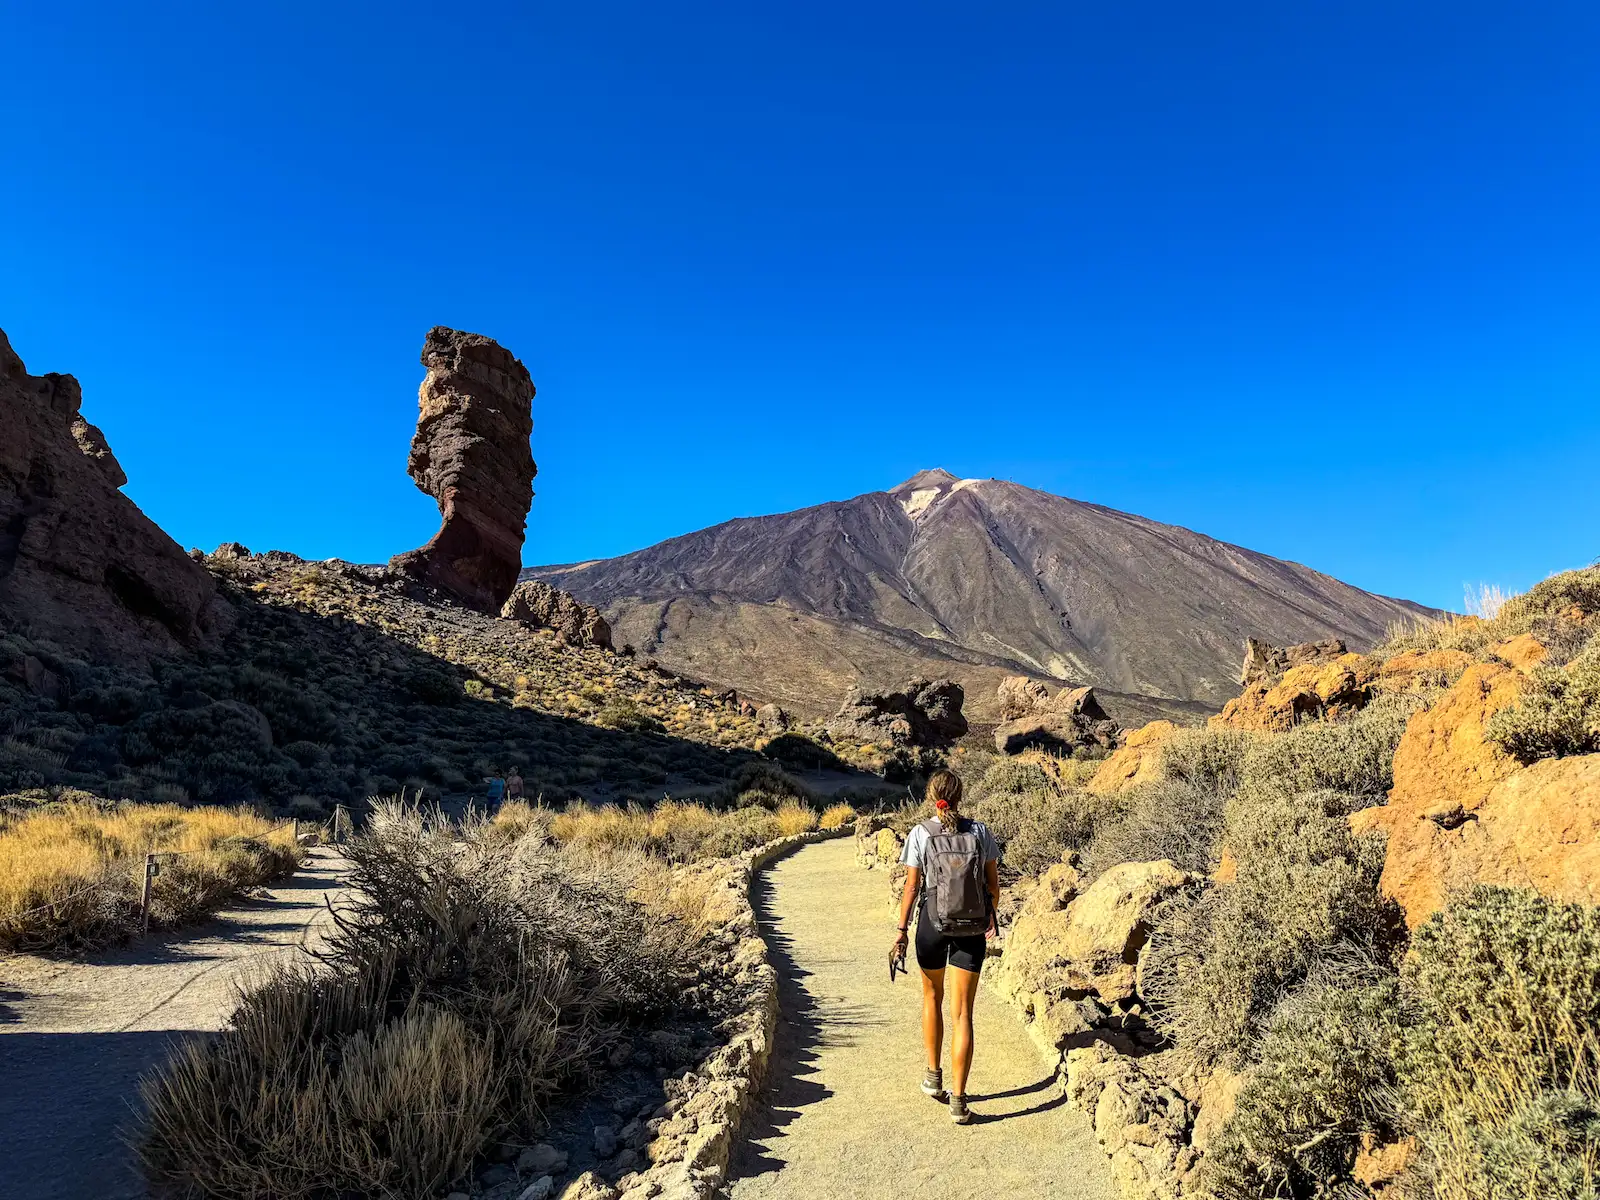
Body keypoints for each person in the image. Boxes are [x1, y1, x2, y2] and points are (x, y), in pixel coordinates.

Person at [892, 769, 1001, 1124]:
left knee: (931, 998)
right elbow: (993, 886)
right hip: (971, 930)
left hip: (931, 926)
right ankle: (959, 1100)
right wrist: (989, 915)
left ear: (931, 796)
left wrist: (901, 930)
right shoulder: (981, 832)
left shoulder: (920, 833)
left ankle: (933, 1076)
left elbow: (911, 888)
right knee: (963, 1014)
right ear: (961, 796)